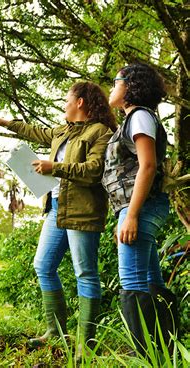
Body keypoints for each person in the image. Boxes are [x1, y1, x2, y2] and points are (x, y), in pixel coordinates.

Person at [0, 82, 116, 356]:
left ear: (80, 102)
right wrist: (5, 122)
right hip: (56, 207)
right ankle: (56, 330)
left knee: (85, 273)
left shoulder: (100, 132)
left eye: (67, 99)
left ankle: (86, 343)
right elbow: (36, 131)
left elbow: (93, 170)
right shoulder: (63, 131)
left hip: (82, 209)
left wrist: (53, 167)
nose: (64, 104)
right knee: (43, 265)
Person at [103, 63, 179, 356]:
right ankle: (165, 350)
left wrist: (132, 214)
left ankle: (146, 356)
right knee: (150, 280)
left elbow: (147, 166)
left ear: (131, 85)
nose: (112, 88)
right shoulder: (136, 119)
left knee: (133, 283)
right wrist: (125, 214)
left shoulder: (139, 117)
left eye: (116, 82)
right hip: (138, 206)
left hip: (143, 206)